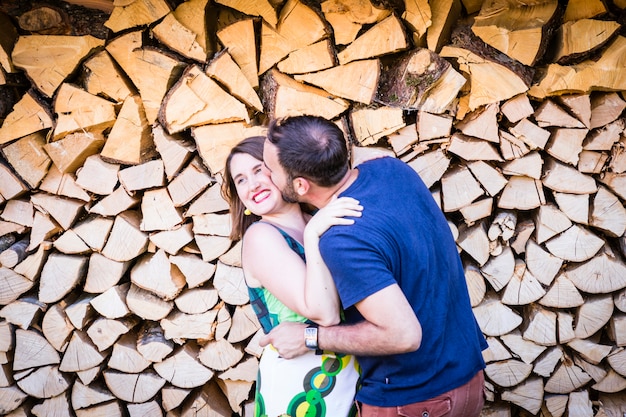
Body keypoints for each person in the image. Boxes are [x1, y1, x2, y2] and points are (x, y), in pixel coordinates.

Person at [260, 115, 488, 417]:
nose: (265, 176)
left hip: (413, 401)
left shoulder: (342, 237)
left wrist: (308, 338)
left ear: (301, 185)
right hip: (469, 381)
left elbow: (403, 335)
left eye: (270, 170)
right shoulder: (391, 169)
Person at [222, 136, 362, 417]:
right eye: (241, 180)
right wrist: (312, 237)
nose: (253, 185)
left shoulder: (317, 220)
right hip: (298, 384)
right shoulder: (261, 237)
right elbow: (324, 314)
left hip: (347, 372)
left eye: (259, 170)